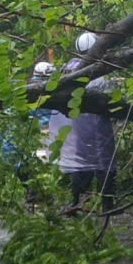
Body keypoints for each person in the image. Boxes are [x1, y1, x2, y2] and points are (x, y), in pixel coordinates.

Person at [50, 33, 118, 214]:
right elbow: (111, 97)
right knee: (103, 161)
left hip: (73, 128)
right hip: (95, 125)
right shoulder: (100, 70)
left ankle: (75, 201)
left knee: (80, 163)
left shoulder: (68, 68)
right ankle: (107, 203)